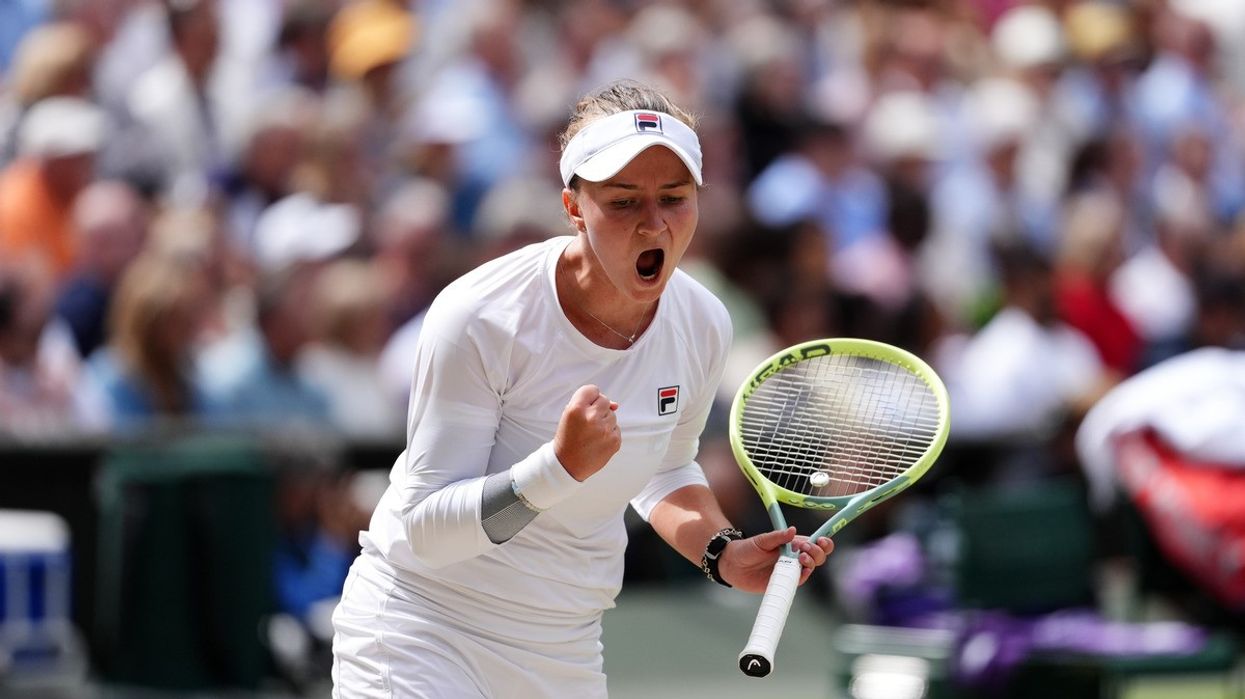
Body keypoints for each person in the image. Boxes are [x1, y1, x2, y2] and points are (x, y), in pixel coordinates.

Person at [331, 80, 835, 698]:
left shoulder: (704, 322)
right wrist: (558, 469)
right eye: (623, 202)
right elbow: (425, 532)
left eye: (674, 199)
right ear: (574, 207)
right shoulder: (480, 315)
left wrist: (721, 552)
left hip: (563, 648)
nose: (654, 223)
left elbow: (666, 470)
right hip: (424, 634)